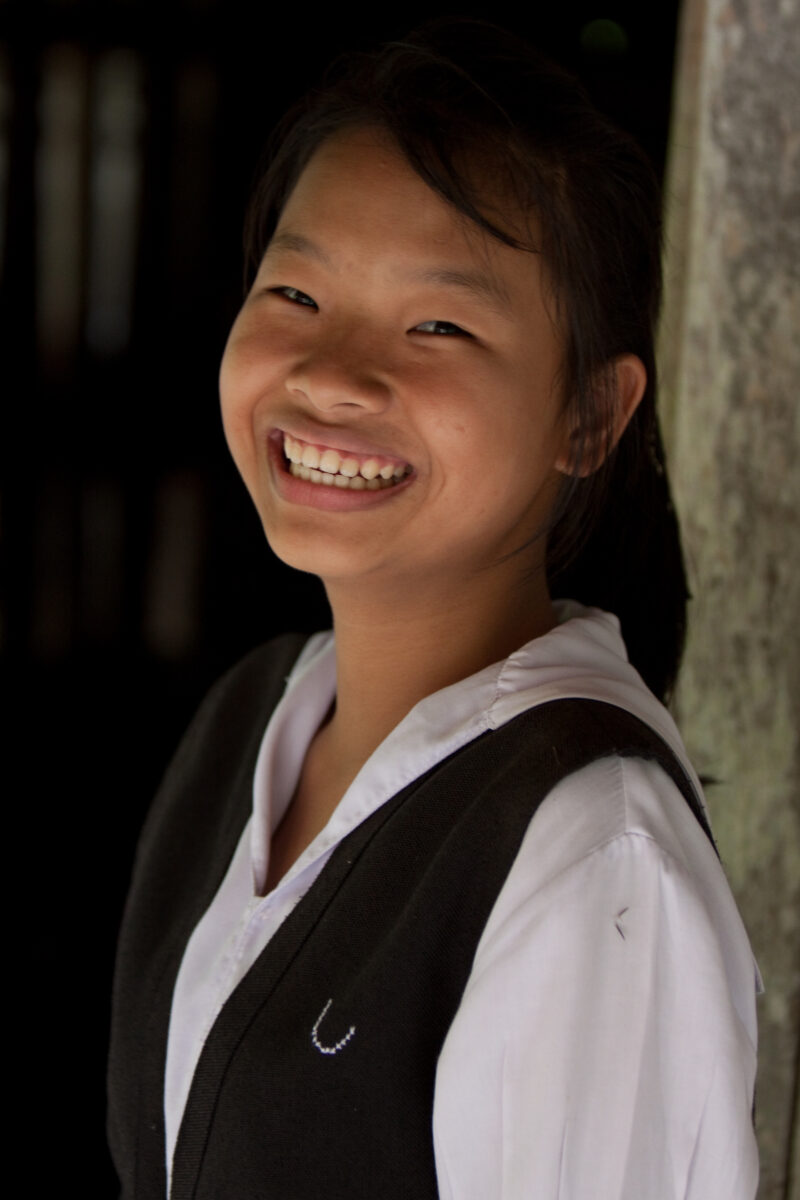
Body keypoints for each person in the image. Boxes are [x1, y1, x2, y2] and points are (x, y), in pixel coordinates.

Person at [107, 19, 760, 1199]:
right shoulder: (251, 719)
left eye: (438, 326)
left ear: (589, 420)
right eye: (296, 290)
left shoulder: (587, 849)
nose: (331, 373)